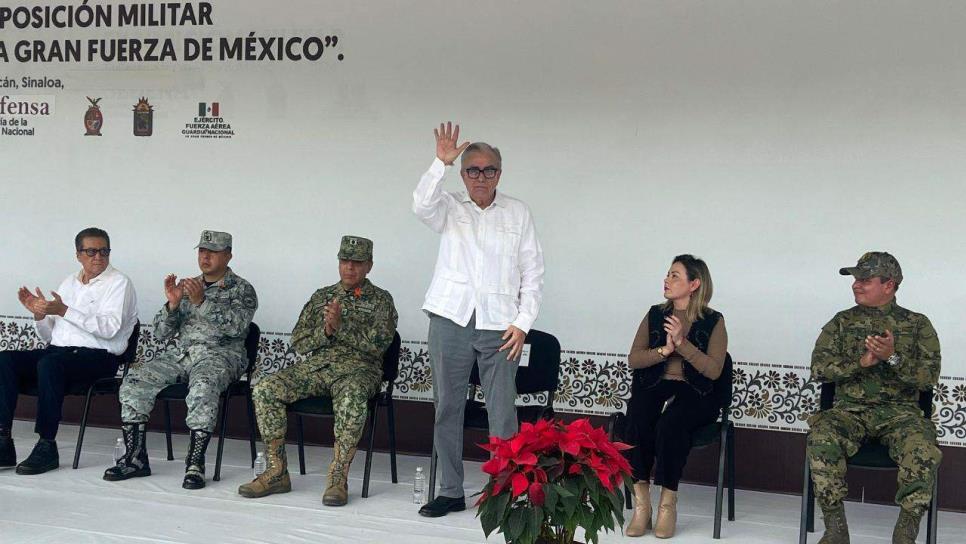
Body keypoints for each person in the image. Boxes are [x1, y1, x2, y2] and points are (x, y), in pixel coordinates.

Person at [412, 122, 545, 517]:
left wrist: (523, 323)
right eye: (473, 170)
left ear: (499, 174)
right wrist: (440, 162)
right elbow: (420, 205)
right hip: (450, 317)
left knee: (502, 411)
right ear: (463, 174)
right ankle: (451, 490)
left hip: (500, 324)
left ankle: (503, 491)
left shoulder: (518, 212)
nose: (481, 177)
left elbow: (533, 272)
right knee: (447, 407)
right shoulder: (449, 206)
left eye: (489, 170)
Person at [238, 235, 397, 506]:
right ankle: (277, 471)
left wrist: (342, 327)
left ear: (369, 265)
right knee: (266, 389)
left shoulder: (381, 300)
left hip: (358, 371)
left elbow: (380, 346)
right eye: (345, 261)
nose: (350, 267)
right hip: (317, 368)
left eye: (357, 262)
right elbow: (299, 342)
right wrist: (326, 330)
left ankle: (337, 478)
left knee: (352, 395)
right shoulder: (322, 296)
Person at [105, 230, 257, 490]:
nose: (206, 257)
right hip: (183, 355)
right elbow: (162, 333)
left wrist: (201, 302)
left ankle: (195, 463)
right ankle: (135, 457)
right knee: (134, 379)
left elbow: (237, 328)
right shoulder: (187, 286)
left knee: (203, 386)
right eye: (202, 251)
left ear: (228, 256)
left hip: (221, 356)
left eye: (213, 252)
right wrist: (173, 305)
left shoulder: (242, 289)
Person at [807, 252, 941, 544]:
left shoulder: (918, 325)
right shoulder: (841, 323)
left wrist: (891, 358)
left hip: (900, 415)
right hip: (849, 412)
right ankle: (835, 529)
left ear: (889, 285)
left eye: (865, 280)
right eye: (855, 279)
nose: (856, 285)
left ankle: (906, 532)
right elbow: (818, 368)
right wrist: (861, 363)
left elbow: (928, 378)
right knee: (821, 437)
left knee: (922, 447)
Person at [0, 227, 138, 475]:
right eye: (91, 251)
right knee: (6, 359)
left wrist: (64, 310)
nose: (98, 257)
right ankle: (3, 441)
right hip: (60, 352)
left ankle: (46, 445)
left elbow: (109, 329)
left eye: (104, 251)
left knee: (50, 364)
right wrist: (40, 315)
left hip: (98, 358)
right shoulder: (68, 282)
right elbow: (51, 336)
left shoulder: (119, 283)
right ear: (78, 255)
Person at [625, 255, 728, 538]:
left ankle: (668, 504)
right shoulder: (655, 313)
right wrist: (664, 351)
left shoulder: (713, 321)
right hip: (657, 381)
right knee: (637, 417)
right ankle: (642, 505)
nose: (666, 280)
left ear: (694, 284)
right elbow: (634, 359)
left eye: (675, 276)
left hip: (697, 389)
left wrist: (682, 344)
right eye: (667, 274)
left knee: (670, 425)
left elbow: (714, 370)